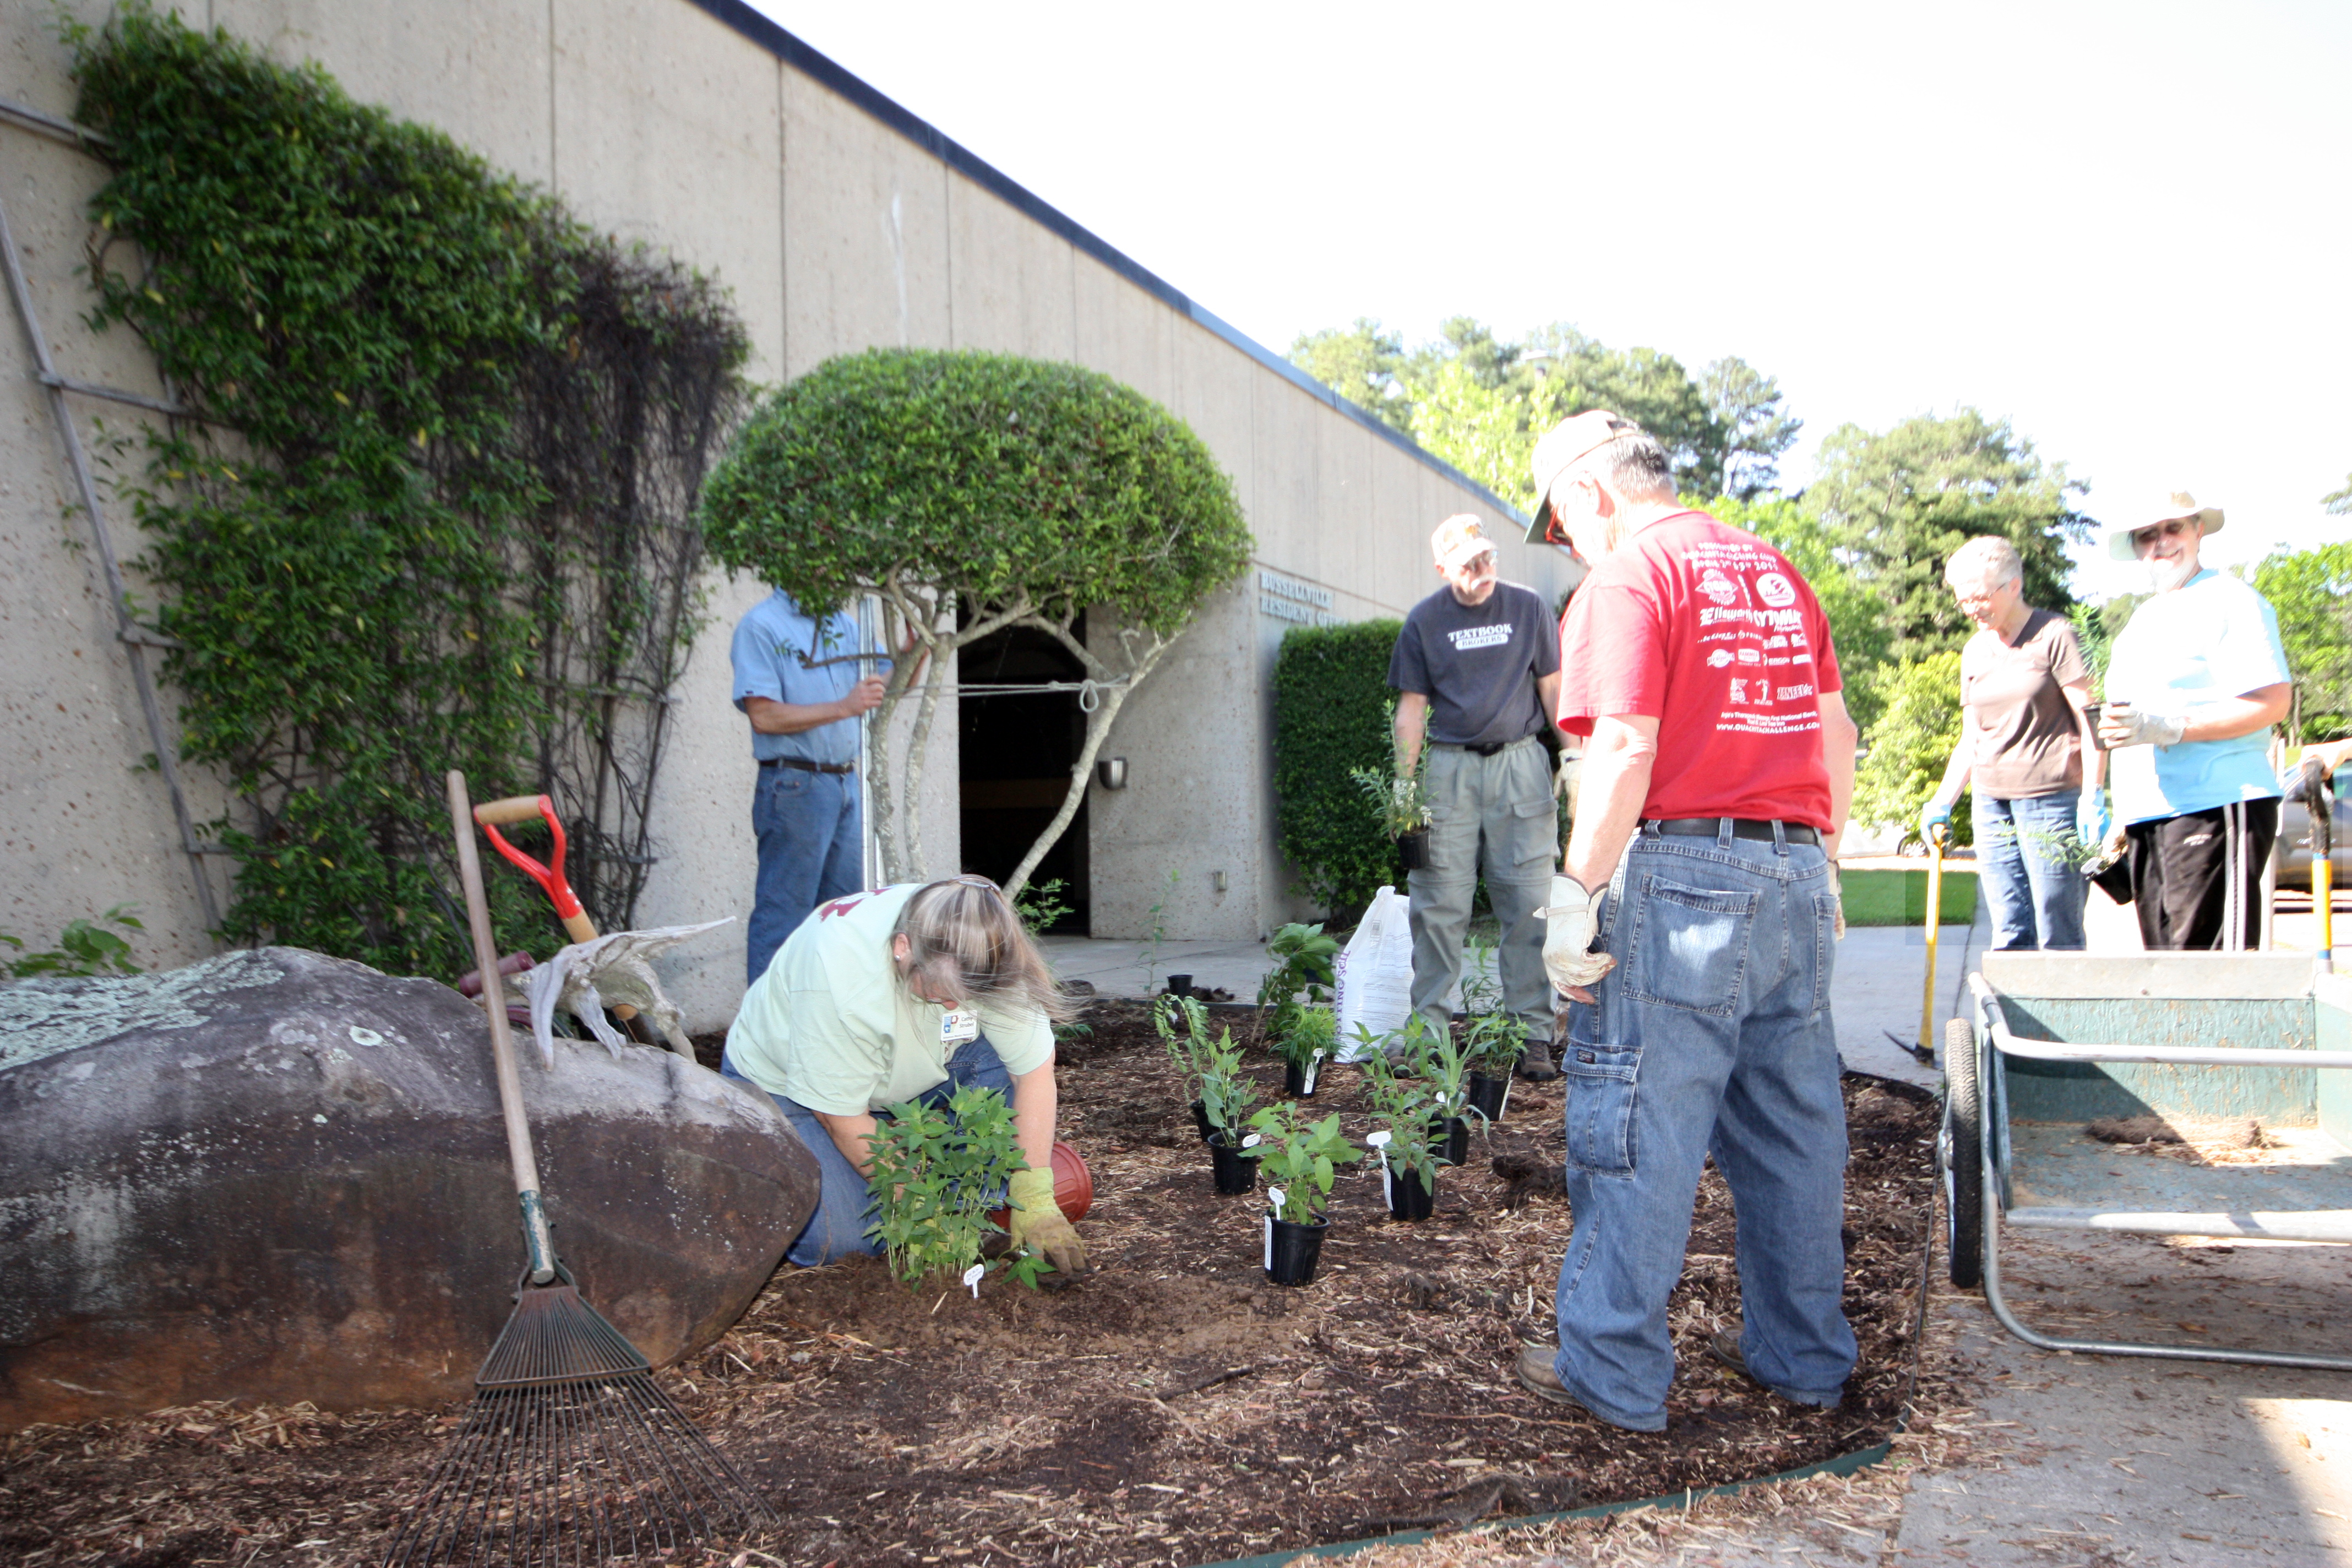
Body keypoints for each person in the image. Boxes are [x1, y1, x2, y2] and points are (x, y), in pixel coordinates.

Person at [1510, 410, 1860, 1433]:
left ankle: (1611, 1371)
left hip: (1681, 874)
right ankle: (1802, 1361)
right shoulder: (1773, 571)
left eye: (1562, 525)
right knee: (1793, 1132)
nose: (1568, 544)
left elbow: (1622, 744)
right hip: (1794, 870)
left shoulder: (1625, 578)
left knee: (1638, 1123)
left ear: (1589, 494)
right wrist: (1822, 863)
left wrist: (1574, 894)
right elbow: (1834, 729)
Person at [720, 875, 1090, 1273]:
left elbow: (1032, 1073)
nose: (953, 1005)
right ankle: (921, 1186)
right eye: (940, 991)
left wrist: (1034, 1195)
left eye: (968, 995)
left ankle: (973, 1212)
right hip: (793, 1089)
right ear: (903, 948)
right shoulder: (840, 974)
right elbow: (838, 1116)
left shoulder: (983, 944)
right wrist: (919, 1206)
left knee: (996, 1063)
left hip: (911, 1069)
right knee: (842, 1242)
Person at [1387, 515, 1564, 1079]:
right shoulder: (1424, 621)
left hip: (1520, 764)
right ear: (1444, 569)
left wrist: (1576, 755)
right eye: (1469, 563)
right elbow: (1412, 709)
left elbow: (1553, 687)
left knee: (1530, 901)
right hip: (1448, 771)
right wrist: (1404, 786)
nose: (1483, 570)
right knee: (1438, 906)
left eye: (1487, 557)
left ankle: (1532, 1034)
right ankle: (1429, 1035)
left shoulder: (1528, 608)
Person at [2097, 492, 2291, 950]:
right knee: (2167, 971)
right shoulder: (2141, 620)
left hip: (2215, 802)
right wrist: (2122, 811)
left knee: (2210, 971)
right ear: (2137, 547)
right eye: (2147, 535)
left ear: (2198, 530)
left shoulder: (2233, 600)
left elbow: (2272, 702)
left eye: (2173, 528)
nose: (2161, 543)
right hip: (2152, 813)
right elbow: (2130, 724)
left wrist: (2174, 728)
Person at [1917, 536, 2105, 951]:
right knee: (2009, 930)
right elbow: (1972, 737)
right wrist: (1943, 801)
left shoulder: (2057, 635)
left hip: (2052, 802)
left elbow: (2091, 722)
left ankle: (2065, 1012)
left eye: (1981, 597)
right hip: (1991, 804)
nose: (1971, 609)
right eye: (1963, 601)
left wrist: (2093, 794)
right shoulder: (1975, 651)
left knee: (2059, 928)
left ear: (2014, 586)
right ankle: (2012, 1017)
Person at [732, 588, 887, 984]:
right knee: (783, 916)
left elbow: (884, 682)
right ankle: (761, 1040)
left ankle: (825, 1033)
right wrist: (844, 707)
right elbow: (764, 716)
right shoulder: (762, 625)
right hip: (795, 785)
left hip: (846, 783)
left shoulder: (843, 622)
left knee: (844, 917)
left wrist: (914, 651)